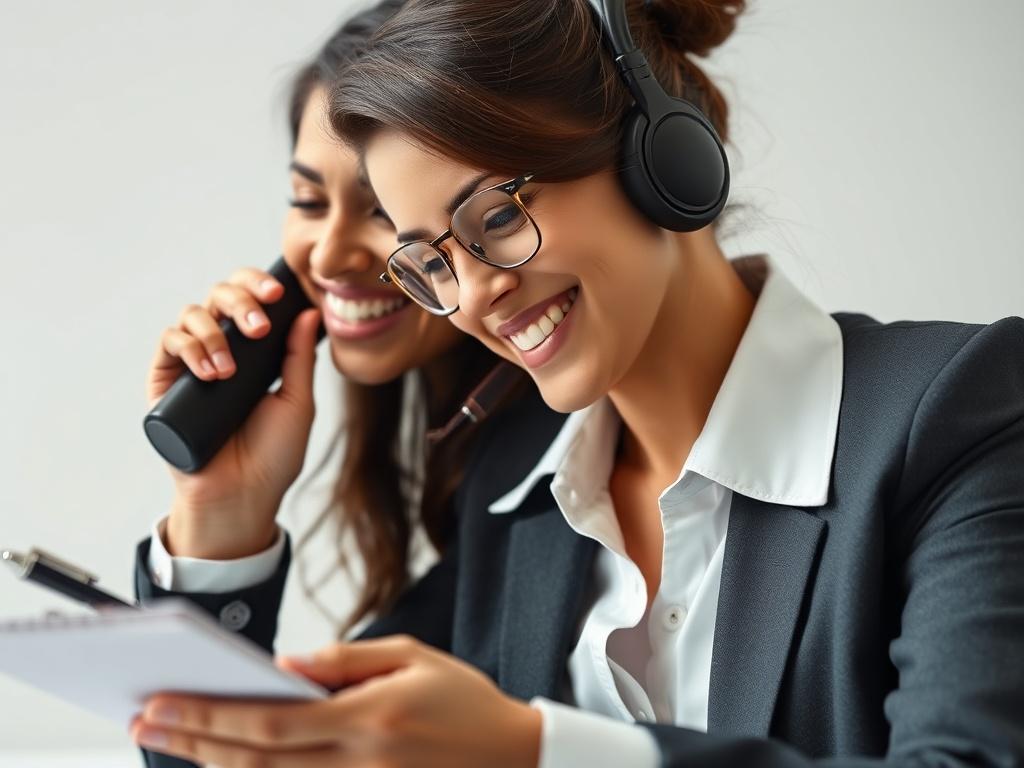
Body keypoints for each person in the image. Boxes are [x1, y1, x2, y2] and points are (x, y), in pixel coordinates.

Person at [132, 1, 1024, 766]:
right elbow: (259, 747)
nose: (477, 293)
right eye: (429, 261)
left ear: (658, 160)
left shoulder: (959, 415)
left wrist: (536, 751)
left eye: (498, 216)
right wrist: (222, 521)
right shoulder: (516, 501)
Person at [131, 2, 532, 767]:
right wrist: (218, 514)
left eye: (385, 211)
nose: (328, 255)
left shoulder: (553, 465)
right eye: (308, 202)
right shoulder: (472, 444)